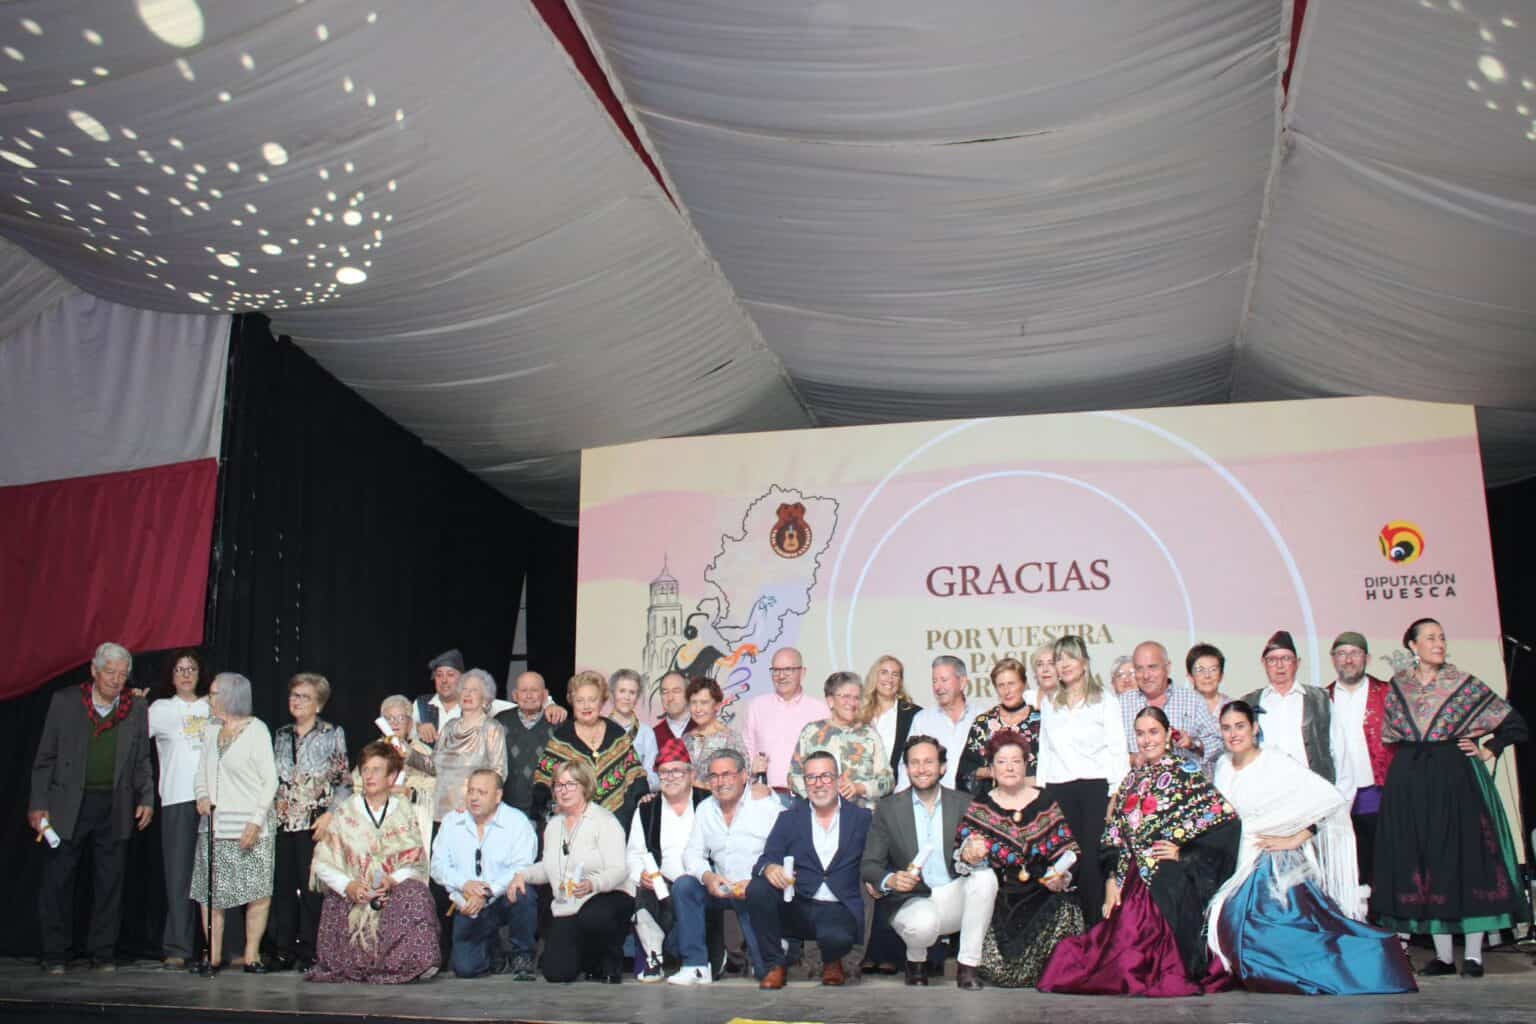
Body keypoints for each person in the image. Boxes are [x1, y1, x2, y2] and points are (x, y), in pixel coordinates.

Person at [1206, 702, 1415, 995]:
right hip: (1235, 858)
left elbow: (1329, 799)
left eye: (1240, 726)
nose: (1233, 734)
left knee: (1263, 931)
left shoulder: (1275, 761)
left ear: (1254, 728)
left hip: (1270, 863)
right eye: (1227, 728)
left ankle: (1364, 963)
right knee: (1232, 929)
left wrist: (1297, 837)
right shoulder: (1222, 766)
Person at [1038, 707, 1241, 997]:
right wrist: (1111, 880)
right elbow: (1113, 835)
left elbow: (1225, 821)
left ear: (1168, 735)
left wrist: (1185, 854)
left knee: (1135, 957)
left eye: (1154, 732)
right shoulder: (1131, 780)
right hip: (1130, 878)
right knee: (1109, 952)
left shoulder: (1187, 774)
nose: (1147, 740)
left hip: (1168, 881)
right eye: (1141, 734)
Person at [1371, 618, 1531, 977]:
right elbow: (1391, 736)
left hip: (1453, 776)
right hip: (1410, 779)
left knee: (1464, 857)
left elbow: (1514, 724)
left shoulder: (1461, 683)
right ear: (1413, 646)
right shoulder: (1399, 685)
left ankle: (1473, 956)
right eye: (1430, 638)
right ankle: (1443, 957)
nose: (1439, 643)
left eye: (1442, 637)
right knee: (1424, 859)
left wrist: (1488, 747)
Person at [29, 641, 154, 974]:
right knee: (58, 880)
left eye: (122, 674)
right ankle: (55, 954)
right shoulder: (66, 702)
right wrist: (38, 804)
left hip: (115, 803)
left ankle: (103, 953)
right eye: (110, 672)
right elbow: (45, 758)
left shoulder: (135, 707)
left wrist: (146, 798)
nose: (116, 679)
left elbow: (142, 759)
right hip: (68, 803)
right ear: (94, 671)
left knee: (110, 882)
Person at [862, 735, 997, 989]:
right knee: (922, 925)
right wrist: (890, 880)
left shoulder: (965, 803)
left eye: (928, 762)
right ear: (906, 769)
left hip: (954, 894)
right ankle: (916, 962)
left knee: (985, 878)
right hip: (913, 898)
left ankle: (968, 967)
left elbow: (983, 852)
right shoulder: (888, 808)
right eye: (914, 763)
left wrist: (975, 854)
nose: (921, 769)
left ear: (942, 767)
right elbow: (870, 865)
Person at [953, 730, 1084, 987]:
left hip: (1041, 891)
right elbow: (960, 857)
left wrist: (1062, 877)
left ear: (1026, 765)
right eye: (1002, 762)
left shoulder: (1045, 800)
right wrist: (969, 854)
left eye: (1016, 761)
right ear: (992, 769)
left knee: (1068, 908)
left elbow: (1068, 850)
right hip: (1000, 898)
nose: (1010, 768)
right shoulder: (981, 806)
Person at [307, 740, 440, 984]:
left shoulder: (403, 810)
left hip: (390, 890)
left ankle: (409, 962)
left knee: (417, 894)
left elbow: (414, 860)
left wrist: (392, 880)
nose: (369, 776)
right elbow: (323, 863)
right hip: (356, 890)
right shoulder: (347, 811)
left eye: (376, 770)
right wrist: (349, 886)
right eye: (366, 770)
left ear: (391, 777)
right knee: (336, 901)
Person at [747, 751, 873, 989]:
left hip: (840, 907)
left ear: (838, 779)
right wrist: (770, 868)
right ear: (804, 783)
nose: (818, 783)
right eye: (811, 778)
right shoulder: (789, 818)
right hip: (800, 904)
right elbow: (764, 859)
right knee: (758, 889)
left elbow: (876, 860)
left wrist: (878, 880)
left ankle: (832, 961)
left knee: (838, 938)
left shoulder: (862, 818)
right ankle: (775, 965)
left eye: (825, 776)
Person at [512, 760, 635, 983]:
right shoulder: (554, 826)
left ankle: (609, 960)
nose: (563, 790)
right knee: (555, 973)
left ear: (585, 787)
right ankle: (587, 961)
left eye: (571, 784)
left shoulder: (605, 821)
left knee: (594, 916)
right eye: (559, 785)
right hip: (568, 903)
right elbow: (547, 867)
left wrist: (592, 884)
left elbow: (619, 870)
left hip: (608, 896)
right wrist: (523, 875)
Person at [1034, 635, 1128, 925]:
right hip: (1058, 790)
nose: (1063, 665)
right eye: (1058, 659)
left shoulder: (1105, 701)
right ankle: (1068, 932)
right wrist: (1042, 795)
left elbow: (1118, 750)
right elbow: (1045, 751)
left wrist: (1116, 794)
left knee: (1090, 863)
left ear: (1085, 662)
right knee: (1063, 861)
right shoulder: (1051, 703)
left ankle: (1096, 930)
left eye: (1070, 657)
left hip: (1095, 790)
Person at [191, 672, 279, 975]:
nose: (209, 698)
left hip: (250, 824)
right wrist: (202, 795)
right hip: (215, 824)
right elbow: (201, 772)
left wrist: (255, 822)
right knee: (210, 893)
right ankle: (213, 956)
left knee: (256, 892)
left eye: (214, 693)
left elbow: (270, 781)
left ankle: (252, 955)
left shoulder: (257, 730)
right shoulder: (211, 729)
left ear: (232, 696)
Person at [670, 748, 781, 986]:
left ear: (744, 776)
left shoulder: (767, 806)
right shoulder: (705, 809)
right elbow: (692, 853)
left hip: (755, 891)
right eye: (714, 776)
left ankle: (778, 951)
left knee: (765, 971)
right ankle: (695, 966)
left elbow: (785, 852)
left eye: (727, 774)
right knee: (684, 886)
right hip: (722, 888)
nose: (720, 782)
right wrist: (708, 876)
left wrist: (758, 881)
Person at [272, 672, 349, 971]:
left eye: (305, 697)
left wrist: (331, 814)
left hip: (316, 822)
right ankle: (283, 950)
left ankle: (310, 950)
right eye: (294, 695)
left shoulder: (332, 733)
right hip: (282, 821)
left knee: (311, 890)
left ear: (319, 704)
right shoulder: (280, 734)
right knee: (283, 888)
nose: (297, 701)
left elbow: (344, 781)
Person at [431, 768, 539, 980]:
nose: (474, 798)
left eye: (482, 792)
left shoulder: (517, 822)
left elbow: (522, 866)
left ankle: (523, 954)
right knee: (466, 969)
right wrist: (464, 884)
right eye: (471, 791)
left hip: (503, 897)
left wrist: (487, 892)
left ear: (498, 796)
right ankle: (493, 951)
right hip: (468, 902)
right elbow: (437, 866)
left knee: (523, 892)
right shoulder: (452, 822)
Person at [627, 738, 711, 981]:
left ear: (691, 773)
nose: (670, 777)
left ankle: (679, 955)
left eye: (677, 771)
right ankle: (654, 958)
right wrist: (641, 874)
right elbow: (634, 852)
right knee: (642, 892)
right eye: (664, 772)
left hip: (700, 885)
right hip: (661, 887)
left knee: (686, 890)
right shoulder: (646, 808)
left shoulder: (708, 802)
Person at [147, 648, 211, 969]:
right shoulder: (160, 709)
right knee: (178, 875)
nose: (186, 674)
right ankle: (178, 946)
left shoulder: (212, 705)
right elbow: (135, 744)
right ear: (171, 676)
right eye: (180, 669)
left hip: (213, 800)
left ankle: (223, 947)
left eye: (191, 669)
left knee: (218, 875)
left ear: (200, 674)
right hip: (176, 798)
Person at [1239, 630, 1354, 799]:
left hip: (1313, 796)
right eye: (1272, 660)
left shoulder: (1319, 699)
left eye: (1286, 658)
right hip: (1265, 796)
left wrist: (1342, 802)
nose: (1279, 665)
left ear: (1297, 663)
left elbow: (1340, 752)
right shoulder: (1249, 703)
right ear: (1264, 663)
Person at [533, 671, 647, 830]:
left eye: (592, 700)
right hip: (573, 826)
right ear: (572, 703)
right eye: (580, 701)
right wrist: (553, 807)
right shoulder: (561, 738)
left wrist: (636, 804)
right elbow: (543, 782)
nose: (586, 706)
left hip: (618, 824)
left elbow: (636, 776)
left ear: (602, 702)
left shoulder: (617, 734)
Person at [1324, 631, 1396, 885]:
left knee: (1385, 864)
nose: (1348, 659)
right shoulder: (1322, 698)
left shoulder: (1388, 693)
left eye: (1354, 653)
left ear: (1367, 658)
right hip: (1339, 797)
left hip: (1381, 792)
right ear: (1333, 659)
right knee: (1348, 868)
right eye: (1342, 654)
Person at [788, 671, 893, 807]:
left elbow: (888, 781)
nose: (852, 703)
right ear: (830, 701)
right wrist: (819, 796)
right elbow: (794, 775)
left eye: (856, 698)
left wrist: (860, 788)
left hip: (863, 814)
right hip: (818, 813)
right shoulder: (811, 732)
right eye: (846, 697)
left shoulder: (869, 734)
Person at [1119, 641, 1222, 775]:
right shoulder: (1122, 704)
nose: (1146, 675)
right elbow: (1107, 753)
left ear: (1167, 668)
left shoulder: (1192, 700)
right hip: (1139, 784)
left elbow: (1218, 744)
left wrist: (1193, 744)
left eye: (1152, 667)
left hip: (1184, 784)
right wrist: (1132, 759)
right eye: (1139, 669)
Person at [742, 647, 829, 797]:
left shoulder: (820, 710)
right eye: (776, 670)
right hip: (765, 796)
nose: (781, 676)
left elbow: (828, 759)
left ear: (802, 673)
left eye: (788, 670)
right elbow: (746, 750)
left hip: (806, 797)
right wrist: (752, 772)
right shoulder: (756, 706)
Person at [430, 669, 509, 825]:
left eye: (474, 690)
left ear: (485, 697)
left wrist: (474, 799)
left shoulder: (491, 728)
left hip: (473, 813)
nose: (467, 694)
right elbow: (432, 767)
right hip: (441, 813)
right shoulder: (449, 726)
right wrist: (407, 752)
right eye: (464, 689)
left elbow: (499, 773)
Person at [900, 656, 992, 790]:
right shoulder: (923, 719)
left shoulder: (983, 717)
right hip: (934, 799)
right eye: (934, 681)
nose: (937, 687)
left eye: (944, 680)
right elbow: (907, 764)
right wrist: (901, 798)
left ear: (962, 683)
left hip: (975, 798)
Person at [956, 659, 1038, 797]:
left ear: (1024, 684)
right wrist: (989, 772)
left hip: (1035, 799)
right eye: (1001, 685)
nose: (1007, 691)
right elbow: (964, 772)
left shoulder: (1041, 720)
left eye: (1011, 684)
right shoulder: (983, 723)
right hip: (992, 802)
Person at [413, 650, 521, 745]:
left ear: (462, 678)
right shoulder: (421, 703)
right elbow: (404, 726)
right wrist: (418, 727)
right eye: (439, 675)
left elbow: (516, 708)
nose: (444, 680)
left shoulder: (473, 702)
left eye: (450, 675)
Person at [495, 671, 556, 819]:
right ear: (515, 695)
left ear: (545, 695)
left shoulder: (557, 723)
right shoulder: (499, 722)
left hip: (546, 812)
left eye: (534, 690)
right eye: (523, 691)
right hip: (505, 809)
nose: (529, 695)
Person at [860, 654, 922, 782]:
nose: (889, 679)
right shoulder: (859, 714)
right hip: (862, 789)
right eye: (884, 672)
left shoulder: (914, 714)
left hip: (899, 789)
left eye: (895, 674)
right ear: (874, 677)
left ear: (900, 681)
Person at [682, 676, 746, 776]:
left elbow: (743, 775)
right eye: (693, 702)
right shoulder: (686, 739)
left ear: (717, 705)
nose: (698, 709)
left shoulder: (731, 738)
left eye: (704, 703)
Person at [608, 669, 659, 791]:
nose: (627, 697)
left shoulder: (646, 732)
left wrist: (638, 783)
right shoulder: (601, 728)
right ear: (612, 694)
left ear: (637, 697)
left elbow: (654, 776)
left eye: (632, 692)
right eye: (622, 691)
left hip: (636, 795)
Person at [1185, 643, 1231, 720]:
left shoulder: (1232, 706)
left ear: (1221, 675)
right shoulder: (1182, 707)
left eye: (1213, 670)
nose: (1207, 676)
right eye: (1200, 670)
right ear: (1190, 677)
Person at [652, 671, 694, 748]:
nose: (670, 698)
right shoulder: (652, 735)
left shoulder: (704, 728)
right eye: (665, 692)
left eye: (676, 691)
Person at [1024, 643, 1058, 708]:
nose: (1045, 669)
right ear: (1035, 671)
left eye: (1051, 663)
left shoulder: (1069, 700)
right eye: (1040, 664)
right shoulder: (1026, 698)